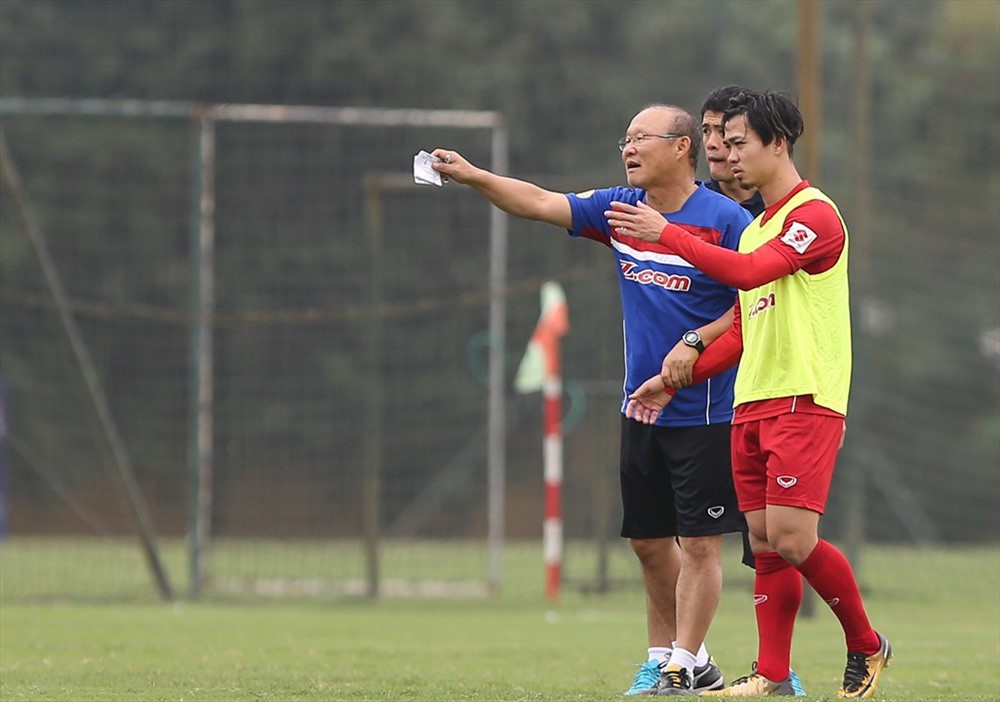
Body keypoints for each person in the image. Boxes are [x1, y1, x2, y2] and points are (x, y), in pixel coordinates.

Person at [432, 103, 752, 697]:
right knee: (649, 543)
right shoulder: (620, 209)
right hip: (640, 408)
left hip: (706, 412)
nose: (627, 149)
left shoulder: (727, 220)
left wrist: (693, 348)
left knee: (701, 544)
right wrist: (475, 176)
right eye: (623, 139)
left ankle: (682, 667)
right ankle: (675, 661)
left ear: (682, 147)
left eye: (641, 139)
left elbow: (754, 302)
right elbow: (537, 201)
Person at [610, 89, 892, 698]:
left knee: (792, 538)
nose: (727, 157)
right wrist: (676, 374)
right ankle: (772, 675)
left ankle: (867, 643)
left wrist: (669, 234)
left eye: (739, 144)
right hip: (753, 401)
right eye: (721, 144)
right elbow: (743, 326)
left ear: (778, 144)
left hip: (805, 397)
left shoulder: (813, 215)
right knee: (763, 543)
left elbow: (745, 274)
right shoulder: (758, 224)